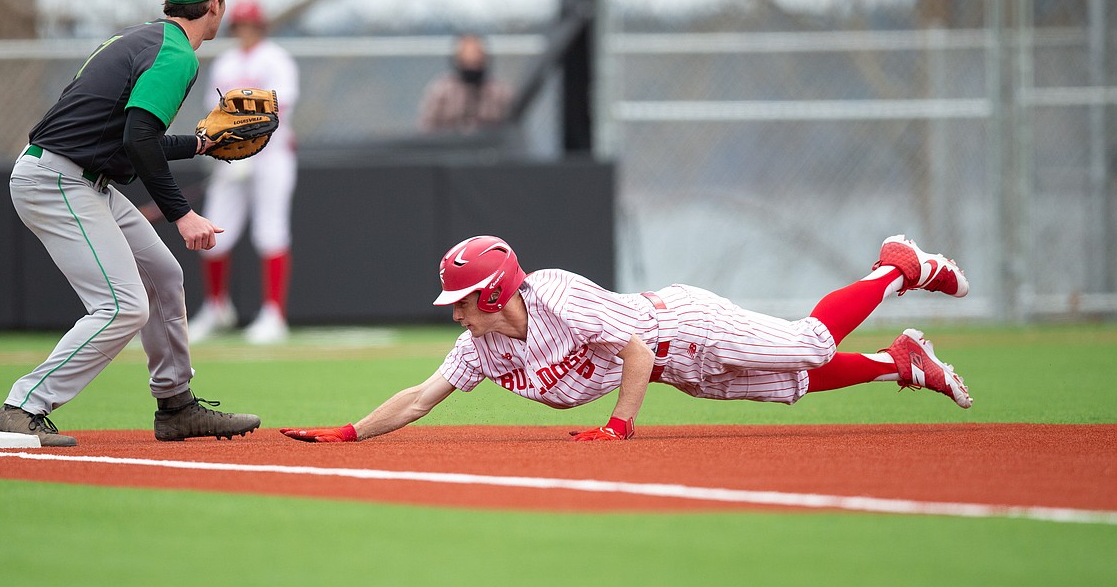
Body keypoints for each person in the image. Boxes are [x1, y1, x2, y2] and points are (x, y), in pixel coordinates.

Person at [281, 234, 972, 445]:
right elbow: (418, 399)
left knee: (811, 343)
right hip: (674, 369)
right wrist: (347, 432)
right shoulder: (483, 347)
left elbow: (637, 349)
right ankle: (899, 362)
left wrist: (619, 426)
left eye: (463, 301)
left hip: (685, 326)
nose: (455, 314)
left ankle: (897, 268)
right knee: (794, 382)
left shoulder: (555, 293)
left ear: (493, 293)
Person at [0, 0, 262, 447]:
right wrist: (182, 213)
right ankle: (23, 406)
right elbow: (139, 138)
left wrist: (200, 144)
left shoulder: (137, 38)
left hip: (79, 175)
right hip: (58, 180)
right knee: (121, 306)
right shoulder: (178, 55)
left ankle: (176, 405)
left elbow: (131, 137)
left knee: (164, 276)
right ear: (216, 4)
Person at [186, 0, 300, 345]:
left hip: (272, 154)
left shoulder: (276, 58)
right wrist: (221, 146)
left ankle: (274, 314)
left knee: (271, 231)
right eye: (241, 26)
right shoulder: (226, 61)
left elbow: (282, 103)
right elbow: (214, 109)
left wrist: (251, 140)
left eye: (251, 25)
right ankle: (217, 306)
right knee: (215, 227)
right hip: (231, 155)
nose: (246, 32)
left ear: (261, 27)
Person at [418, 33, 513, 133]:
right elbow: (427, 129)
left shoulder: (500, 93)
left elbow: (512, 128)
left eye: (476, 56)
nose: (472, 59)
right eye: (466, 56)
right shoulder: (441, 91)